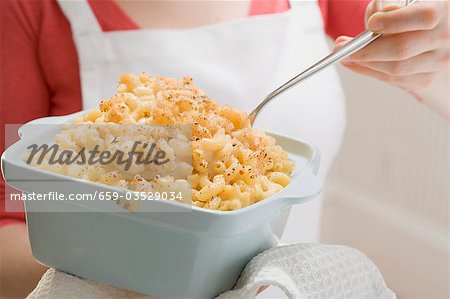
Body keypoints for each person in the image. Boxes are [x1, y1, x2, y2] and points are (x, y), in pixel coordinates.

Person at [1, 0, 448, 297]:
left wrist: (435, 61)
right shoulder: (26, 10)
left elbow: (430, 73)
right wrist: (121, 275)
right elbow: (7, 230)